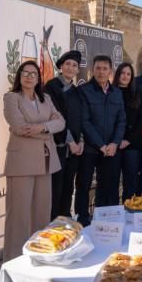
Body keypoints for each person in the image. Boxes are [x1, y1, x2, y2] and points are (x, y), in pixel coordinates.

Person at [2, 61, 65, 261]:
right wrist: (47, 130)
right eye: (25, 73)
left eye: (33, 74)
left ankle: (38, 254)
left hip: (45, 161)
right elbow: (20, 128)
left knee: (41, 213)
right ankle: (14, 259)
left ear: (39, 79)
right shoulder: (11, 98)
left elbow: (61, 123)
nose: (29, 77)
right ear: (19, 76)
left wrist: (40, 128)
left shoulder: (45, 98)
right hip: (21, 163)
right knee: (19, 215)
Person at [76, 55, 126, 226]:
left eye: (105, 68)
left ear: (111, 71)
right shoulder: (84, 91)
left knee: (109, 186)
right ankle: (83, 220)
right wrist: (101, 145)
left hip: (111, 149)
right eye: (98, 68)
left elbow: (121, 121)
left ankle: (107, 221)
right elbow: (84, 121)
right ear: (92, 70)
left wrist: (114, 143)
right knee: (84, 185)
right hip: (91, 148)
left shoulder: (117, 93)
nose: (101, 72)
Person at [44, 50, 83, 219]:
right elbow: (54, 116)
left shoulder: (76, 91)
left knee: (68, 188)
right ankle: (52, 228)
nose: (71, 68)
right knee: (55, 189)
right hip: (57, 147)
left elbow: (79, 119)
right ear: (61, 66)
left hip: (74, 150)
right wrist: (70, 142)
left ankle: (65, 225)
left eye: (74, 65)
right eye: (68, 64)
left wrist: (80, 140)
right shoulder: (50, 87)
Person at [113, 62, 142, 201]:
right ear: (118, 74)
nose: (125, 76)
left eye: (128, 74)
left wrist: (128, 140)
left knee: (130, 181)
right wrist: (116, 141)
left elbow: (140, 120)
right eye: (123, 73)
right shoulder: (110, 92)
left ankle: (129, 210)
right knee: (111, 181)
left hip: (131, 144)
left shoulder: (137, 93)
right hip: (113, 143)